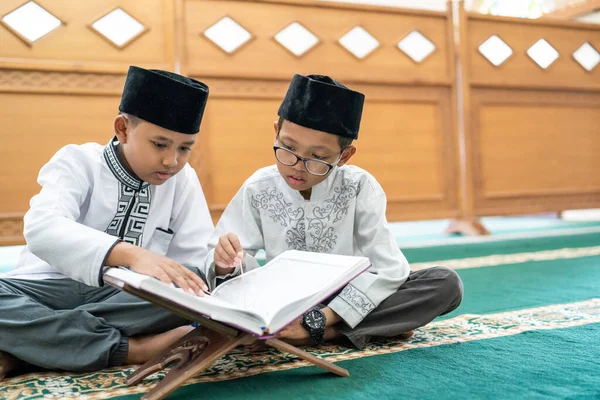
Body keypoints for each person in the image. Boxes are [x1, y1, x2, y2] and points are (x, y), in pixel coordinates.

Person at [203, 74, 463, 349]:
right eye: (288, 148)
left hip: (346, 300)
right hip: (283, 301)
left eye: (318, 157)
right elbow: (228, 263)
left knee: (445, 283)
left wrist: (320, 320)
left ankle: (322, 334)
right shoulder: (258, 188)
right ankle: (375, 328)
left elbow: (388, 268)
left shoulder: (359, 187)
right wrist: (224, 261)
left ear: (345, 156)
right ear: (276, 131)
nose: (298, 166)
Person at [0, 66, 213, 380]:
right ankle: (132, 349)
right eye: (159, 144)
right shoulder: (78, 161)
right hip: (46, 289)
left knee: (192, 286)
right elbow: (41, 228)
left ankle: (28, 345)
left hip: (127, 299)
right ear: (123, 129)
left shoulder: (183, 180)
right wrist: (132, 255)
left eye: (184, 148)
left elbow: (193, 261)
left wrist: (220, 265)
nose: (172, 161)